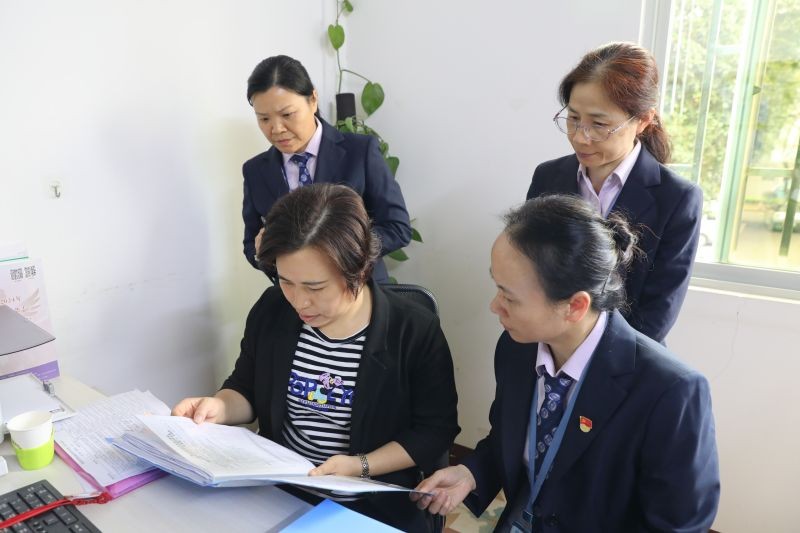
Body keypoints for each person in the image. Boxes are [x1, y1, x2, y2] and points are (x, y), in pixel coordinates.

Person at [413, 195, 719, 532]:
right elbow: (509, 439)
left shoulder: (671, 392)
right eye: (497, 288)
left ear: (575, 306)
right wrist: (470, 474)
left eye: (509, 297)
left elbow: (678, 525)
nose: (494, 306)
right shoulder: (516, 350)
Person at [174, 183, 458, 531]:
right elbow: (245, 388)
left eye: (315, 287)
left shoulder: (413, 330)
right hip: (280, 492)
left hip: (366, 505)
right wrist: (217, 407)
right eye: (286, 282)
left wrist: (360, 465)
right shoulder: (273, 308)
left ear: (360, 270)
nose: (299, 301)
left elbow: (434, 431)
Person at [526, 42, 702, 343]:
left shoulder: (676, 199)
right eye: (573, 118)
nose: (581, 137)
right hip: (545, 350)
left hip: (626, 358)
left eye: (599, 124)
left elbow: (657, 313)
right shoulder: (548, 177)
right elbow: (529, 273)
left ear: (643, 120)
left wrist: (586, 359)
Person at [241, 54, 411, 283]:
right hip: (294, 298)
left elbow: (397, 228)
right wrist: (263, 252)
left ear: (313, 100)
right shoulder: (255, 171)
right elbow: (251, 245)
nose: (277, 129)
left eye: (287, 114)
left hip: (361, 291)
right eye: (264, 119)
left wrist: (338, 251)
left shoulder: (360, 152)